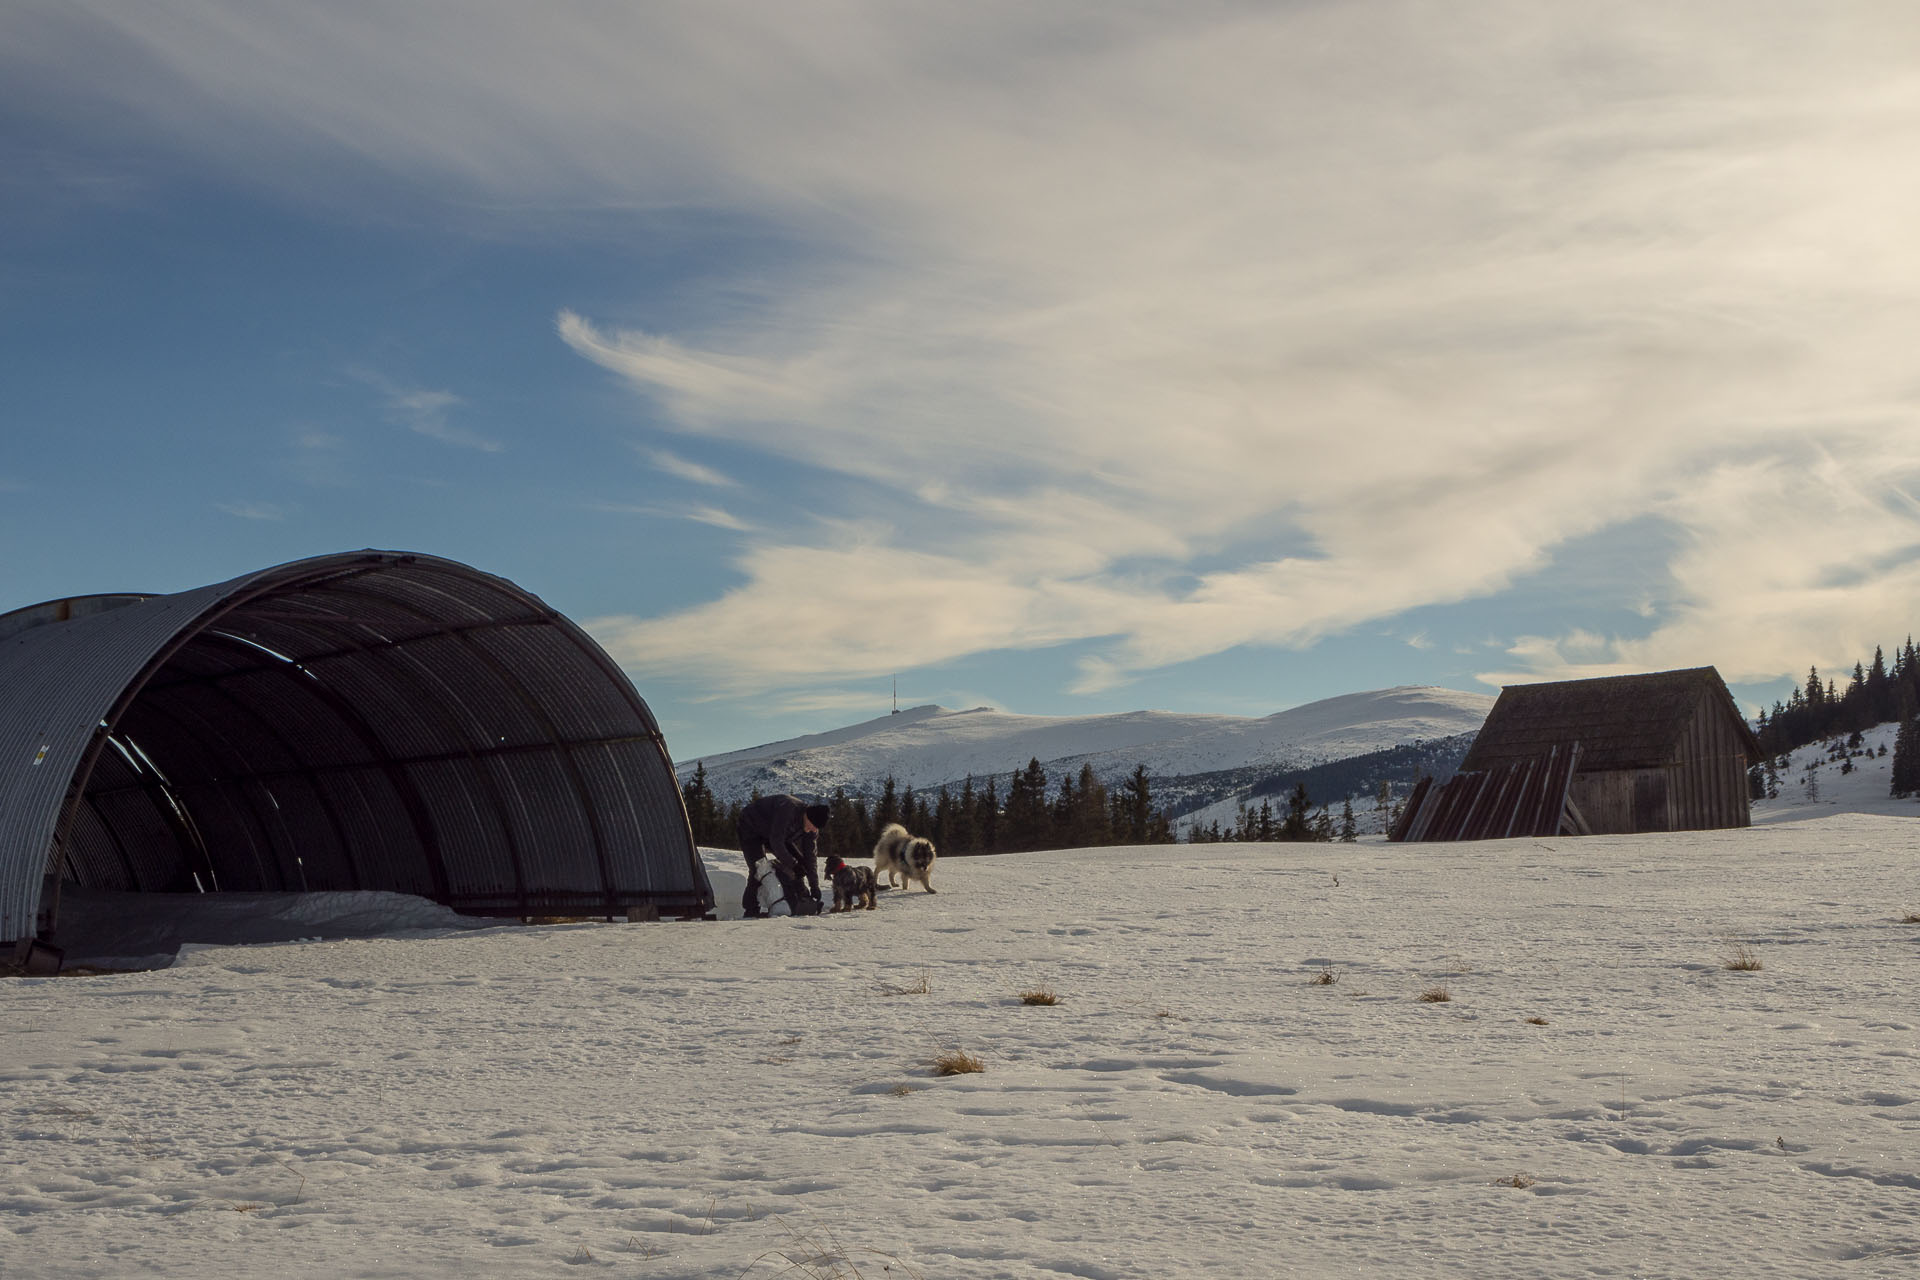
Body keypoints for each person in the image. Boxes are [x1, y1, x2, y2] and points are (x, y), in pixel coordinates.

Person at [735, 795, 830, 917]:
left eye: (816, 828)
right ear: (807, 816)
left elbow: (810, 857)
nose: (812, 829)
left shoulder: (812, 829)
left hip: (777, 834)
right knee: (759, 868)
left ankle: (803, 899)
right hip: (750, 826)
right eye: (812, 825)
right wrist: (793, 864)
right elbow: (776, 842)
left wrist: (814, 886)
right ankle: (751, 910)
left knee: (801, 864)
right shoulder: (788, 810)